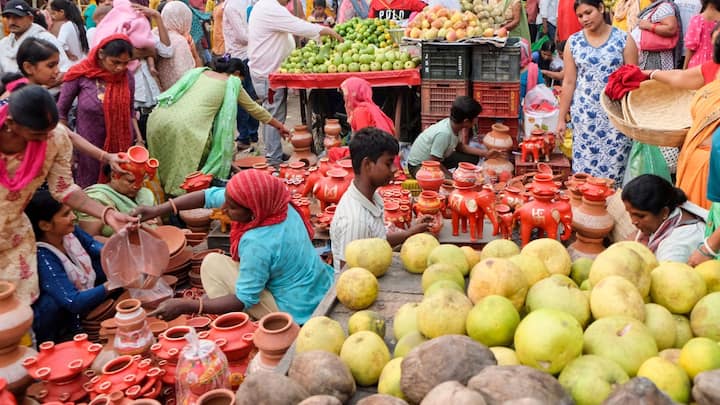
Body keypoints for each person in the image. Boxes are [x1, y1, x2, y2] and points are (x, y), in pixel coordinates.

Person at [136, 169, 334, 324]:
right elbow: (207, 196)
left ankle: (243, 323)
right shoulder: (277, 202)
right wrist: (156, 210)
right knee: (220, 263)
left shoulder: (258, 242)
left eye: (231, 207)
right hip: (318, 286)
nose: (223, 209)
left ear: (253, 211)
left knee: (211, 264)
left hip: (297, 310)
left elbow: (243, 299)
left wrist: (188, 305)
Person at [0, 83, 134, 305]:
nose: (44, 140)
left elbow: (64, 189)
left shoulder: (55, 138)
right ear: (11, 124)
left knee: (21, 307)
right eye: (36, 135)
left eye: (48, 132)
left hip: (15, 239)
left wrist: (107, 214)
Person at [146, 58, 292, 196]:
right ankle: (182, 206)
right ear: (236, 74)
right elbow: (254, 109)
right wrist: (279, 126)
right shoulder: (232, 82)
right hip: (186, 126)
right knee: (186, 172)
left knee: (165, 165)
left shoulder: (200, 72)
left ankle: (167, 203)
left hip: (159, 118)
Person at [1, 37, 127, 173]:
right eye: (51, 65)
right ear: (29, 67)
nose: (57, 71)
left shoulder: (31, 94)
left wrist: (106, 157)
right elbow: (67, 134)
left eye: (57, 65)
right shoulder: (26, 101)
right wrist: (106, 157)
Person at [247, 0, 342, 167]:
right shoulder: (270, 8)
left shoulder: (267, 5)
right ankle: (273, 160)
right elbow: (298, 26)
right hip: (267, 73)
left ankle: (274, 153)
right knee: (273, 115)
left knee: (274, 114)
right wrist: (326, 30)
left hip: (270, 70)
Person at [556, 0, 638, 182]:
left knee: (614, 173)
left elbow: (633, 82)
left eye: (588, 12)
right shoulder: (574, 42)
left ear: (601, 8)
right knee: (584, 176)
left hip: (615, 118)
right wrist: (561, 118)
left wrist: (633, 119)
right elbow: (569, 82)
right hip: (585, 119)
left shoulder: (624, 39)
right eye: (580, 16)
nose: (584, 19)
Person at [330, 128, 430, 271]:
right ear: (367, 165)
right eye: (388, 163)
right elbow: (349, 275)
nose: (395, 168)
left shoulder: (372, 197)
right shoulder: (355, 221)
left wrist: (410, 232)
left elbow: (377, 240)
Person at [644, 26, 720, 212]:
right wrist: (648, 73)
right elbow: (680, 77)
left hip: (714, 166)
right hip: (693, 159)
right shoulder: (713, 68)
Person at [25, 189, 115, 343]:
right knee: (49, 305)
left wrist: (121, 251)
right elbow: (73, 301)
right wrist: (113, 284)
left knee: (103, 263)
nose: (74, 217)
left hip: (82, 300)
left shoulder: (70, 234)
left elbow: (94, 246)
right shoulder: (43, 257)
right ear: (45, 225)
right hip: (63, 321)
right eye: (66, 214)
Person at [57, 34, 137, 188]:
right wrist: (69, 150)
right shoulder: (80, 74)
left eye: (125, 63)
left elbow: (130, 109)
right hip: (88, 149)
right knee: (90, 191)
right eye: (115, 62)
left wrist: (138, 140)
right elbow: (61, 113)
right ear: (101, 55)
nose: (120, 67)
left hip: (121, 148)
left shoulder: (127, 77)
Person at [622, 174, 705, 263]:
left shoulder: (675, 249)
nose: (633, 221)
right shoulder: (671, 208)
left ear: (664, 212)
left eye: (640, 216)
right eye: (630, 214)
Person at [407, 96, 486, 178]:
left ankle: (458, 176)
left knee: (472, 158)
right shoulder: (444, 133)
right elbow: (434, 162)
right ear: (466, 121)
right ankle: (456, 178)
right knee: (444, 180)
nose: (477, 119)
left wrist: (485, 153)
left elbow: (460, 147)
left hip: (438, 159)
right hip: (418, 166)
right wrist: (451, 176)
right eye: (476, 117)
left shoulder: (455, 126)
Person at [77, 164, 157, 237]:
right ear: (114, 176)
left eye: (140, 181)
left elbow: (159, 225)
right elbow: (91, 239)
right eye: (131, 181)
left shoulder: (146, 194)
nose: (137, 186)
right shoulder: (96, 197)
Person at [223, 0, 261, 151]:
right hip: (242, 55)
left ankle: (246, 136)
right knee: (248, 98)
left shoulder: (235, 5)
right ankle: (250, 134)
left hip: (242, 56)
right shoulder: (234, 5)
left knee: (245, 99)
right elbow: (242, 36)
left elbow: (242, 36)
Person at [0, 0, 71, 74]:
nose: (11, 22)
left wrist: (43, 86)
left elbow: (64, 70)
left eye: (17, 17)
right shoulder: (3, 44)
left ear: (30, 18)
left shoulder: (45, 39)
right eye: (8, 17)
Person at [155, 1, 200, 91]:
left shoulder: (155, 33)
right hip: (178, 93)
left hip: (160, 92)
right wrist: (194, 53)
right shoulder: (180, 41)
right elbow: (187, 75)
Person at [633, 0, 681, 70]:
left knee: (655, 79)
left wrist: (649, 26)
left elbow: (671, 29)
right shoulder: (656, 6)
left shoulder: (664, 7)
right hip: (650, 55)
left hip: (657, 58)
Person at [684, 0, 720, 68]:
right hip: (716, 63)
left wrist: (684, 68)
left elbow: (691, 48)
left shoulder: (696, 20)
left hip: (697, 64)